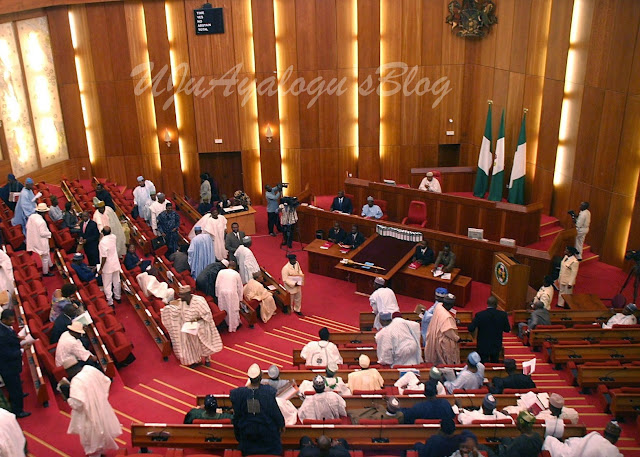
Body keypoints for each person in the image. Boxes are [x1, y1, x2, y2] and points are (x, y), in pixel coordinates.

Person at [61, 365, 122, 457]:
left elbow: (77, 404)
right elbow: (106, 381)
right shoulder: (90, 369)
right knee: (101, 429)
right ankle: (101, 452)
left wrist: (68, 398)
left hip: (88, 413)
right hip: (100, 406)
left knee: (91, 437)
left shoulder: (76, 381)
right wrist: (100, 396)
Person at [230, 363, 285, 456]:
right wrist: (281, 424)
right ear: (261, 377)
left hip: (247, 436)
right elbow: (275, 413)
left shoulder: (238, 394)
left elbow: (237, 416)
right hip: (268, 437)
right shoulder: (268, 392)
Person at [161, 285, 223, 365]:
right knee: (194, 344)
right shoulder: (182, 301)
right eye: (180, 295)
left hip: (201, 326)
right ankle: (197, 360)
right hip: (190, 327)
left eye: (182, 295)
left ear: (188, 294)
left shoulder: (199, 300)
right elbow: (173, 305)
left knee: (204, 345)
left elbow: (207, 314)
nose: (180, 297)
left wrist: (195, 320)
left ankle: (207, 359)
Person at [0, 309, 31, 418]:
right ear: (4, 320)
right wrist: (23, 350)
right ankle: (18, 411)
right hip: (7, 367)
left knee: (16, 385)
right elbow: (7, 354)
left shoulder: (4, 327)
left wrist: (18, 338)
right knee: (14, 388)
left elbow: (10, 336)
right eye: (10, 320)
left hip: (12, 365)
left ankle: (19, 395)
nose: (13, 322)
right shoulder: (1, 335)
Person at [543, 420, 623, 457]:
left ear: (604, 433)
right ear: (617, 438)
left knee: (550, 440)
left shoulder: (594, 437)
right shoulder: (614, 452)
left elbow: (578, 443)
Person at [468, 296, 510, 363]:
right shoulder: (503, 315)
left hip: (483, 345)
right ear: (497, 304)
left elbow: (471, 328)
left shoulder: (480, 315)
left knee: (482, 364)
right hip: (496, 345)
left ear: (487, 304)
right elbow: (507, 329)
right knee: (494, 364)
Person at [424, 294, 460, 364]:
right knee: (444, 361)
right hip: (442, 340)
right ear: (451, 305)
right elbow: (449, 332)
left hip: (435, 333)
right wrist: (457, 338)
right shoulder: (447, 317)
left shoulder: (439, 306)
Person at [25, 203, 53, 277]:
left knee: (47, 254)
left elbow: (27, 226)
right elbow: (43, 233)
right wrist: (49, 233)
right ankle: (45, 272)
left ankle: (51, 265)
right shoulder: (41, 222)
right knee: (45, 257)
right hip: (41, 241)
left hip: (34, 239)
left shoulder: (32, 217)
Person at [215, 260, 243, 332]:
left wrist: (217, 294)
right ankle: (233, 326)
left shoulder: (221, 272)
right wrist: (240, 299)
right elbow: (240, 287)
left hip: (221, 291)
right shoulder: (236, 274)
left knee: (223, 308)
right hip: (232, 293)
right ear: (234, 267)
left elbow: (217, 284)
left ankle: (225, 324)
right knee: (233, 310)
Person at [98, 226, 122, 307]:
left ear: (102, 233)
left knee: (107, 284)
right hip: (115, 263)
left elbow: (104, 257)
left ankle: (110, 301)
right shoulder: (113, 237)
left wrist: (101, 268)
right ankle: (118, 297)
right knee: (116, 281)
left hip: (107, 266)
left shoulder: (102, 242)